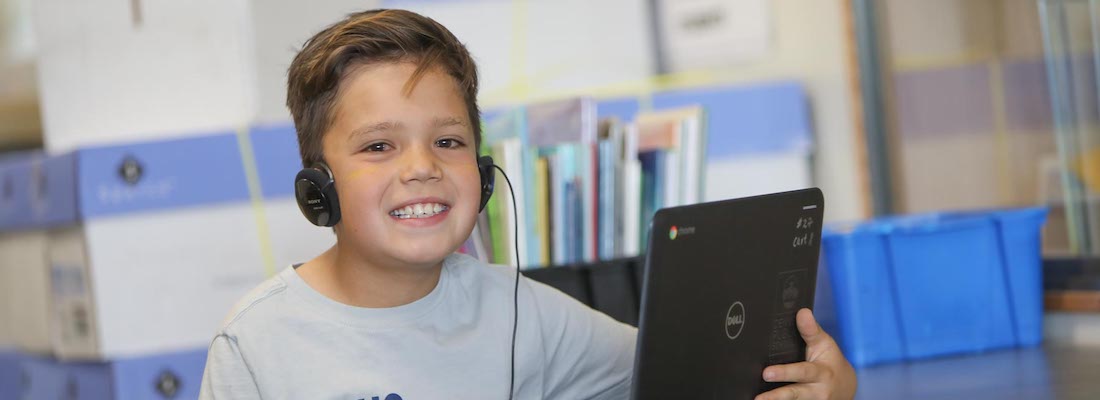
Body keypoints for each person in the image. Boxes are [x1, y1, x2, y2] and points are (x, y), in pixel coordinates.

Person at [199, 8, 857, 400]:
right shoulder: (257, 342)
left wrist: (828, 382)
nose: (422, 168)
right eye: (378, 147)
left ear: (483, 175)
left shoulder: (521, 312)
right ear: (317, 188)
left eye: (448, 140)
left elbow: (685, 374)